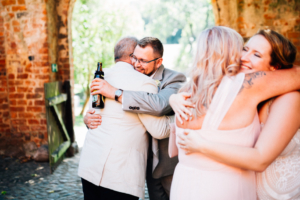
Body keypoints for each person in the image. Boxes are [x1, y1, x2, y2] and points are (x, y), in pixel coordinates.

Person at [166, 26, 300, 200]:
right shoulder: (232, 91)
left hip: (278, 193)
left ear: (276, 68)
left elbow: (173, 150)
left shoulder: (276, 95)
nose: (243, 57)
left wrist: (200, 143)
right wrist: (173, 100)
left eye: (256, 54)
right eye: (244, 49)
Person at [84, 37, 186, 200]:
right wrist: (87, 119)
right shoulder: (130, 78)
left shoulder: (175, 78)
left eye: (143, 60)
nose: (137, 64)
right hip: (137, 165)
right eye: (135, 58)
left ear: (158, 62)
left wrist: (116, 93)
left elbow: (159, 105)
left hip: (166, 164)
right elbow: (102, 113)